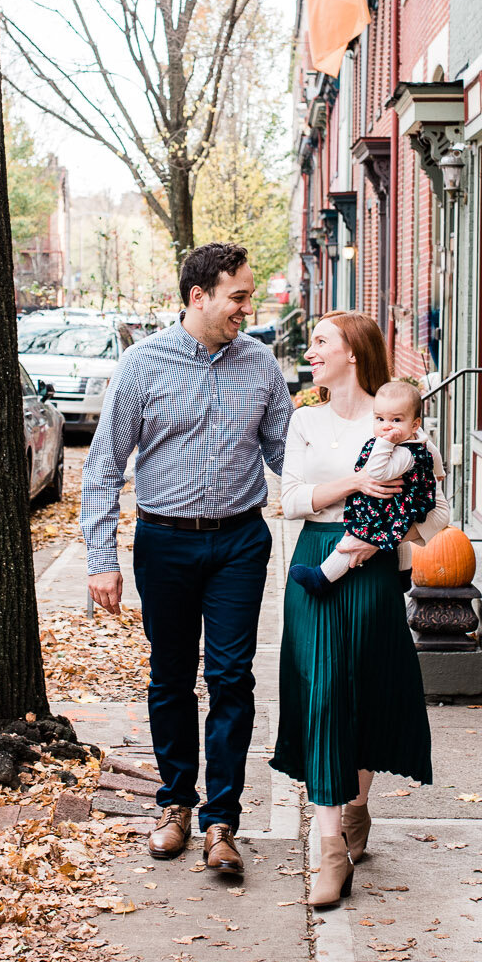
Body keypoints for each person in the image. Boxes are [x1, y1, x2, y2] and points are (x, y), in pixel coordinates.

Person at [82, 241, 294, 880]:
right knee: (171, 675)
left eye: (248, 296)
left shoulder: (260, 365)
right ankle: (174, 804)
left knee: (233, 678)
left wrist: (363, 475)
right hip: (165, 541)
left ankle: (222, 822)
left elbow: (289, 456)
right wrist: (101, 557)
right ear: (198, 296)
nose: (247, 308)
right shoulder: (142, 367)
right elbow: (103, 468)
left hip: (239, 541)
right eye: (238, 296)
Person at [271, 312, 435, 910]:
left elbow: (428, 509)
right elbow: (288, 501)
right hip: (315, 559)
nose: (311, 352)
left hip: (372, 569)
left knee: (360, 693)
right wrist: (355, 483)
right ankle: (329, 850)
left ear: (354, 355)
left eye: (321, 342)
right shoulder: (304, 420)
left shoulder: (396, 419)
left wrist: (391, 524)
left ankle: (357, 802)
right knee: (323, 694)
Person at [287, 378, 434, 596]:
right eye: (380, 419)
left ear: (414, 424)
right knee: (399, 537)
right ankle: (404, 573)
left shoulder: (402, 451)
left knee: (355, 539)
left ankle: (321, 577)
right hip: (399, 506)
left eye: (396, 420)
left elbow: (376, 472)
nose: (387, 426)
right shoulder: (416, 441)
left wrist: (383, 444)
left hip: (389, 507)